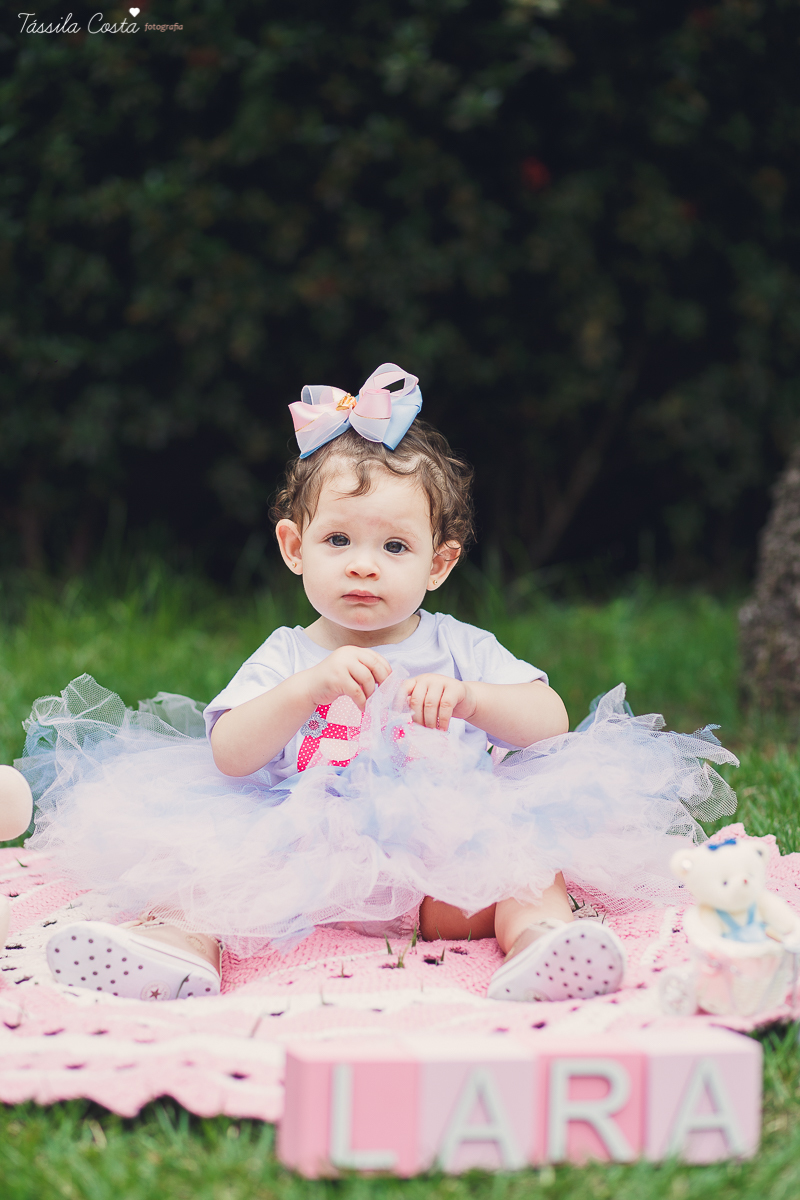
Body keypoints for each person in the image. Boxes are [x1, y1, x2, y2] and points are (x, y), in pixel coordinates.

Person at [15, 364, 738, 1003]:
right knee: (202, 872)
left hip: (439, 865)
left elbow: (549, 722)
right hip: (299, 860)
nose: (363, 564)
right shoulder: (289, 654)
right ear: (295, 548)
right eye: (338, 540)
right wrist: (304, 690)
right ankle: (174, 951)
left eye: (394, 546)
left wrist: (474, 700)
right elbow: (230, 753)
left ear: (438, 563)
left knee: (524, 869)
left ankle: (544, 943)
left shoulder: (457, 646)